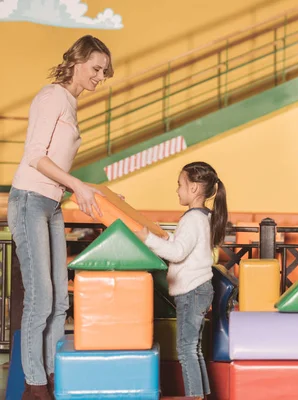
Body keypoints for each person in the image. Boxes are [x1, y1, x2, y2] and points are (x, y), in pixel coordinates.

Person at [8, 35, 113, 399]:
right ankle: (35, 385)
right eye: (96, 68)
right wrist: (77, 186)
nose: (100, 76)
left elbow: (57, 164)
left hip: (50, 203)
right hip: (29, 201)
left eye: (104, 71)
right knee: (41, 297)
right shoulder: (52, 96)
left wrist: (92, 191)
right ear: (78, 61)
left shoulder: (69, 102)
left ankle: (53, 373)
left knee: (59, 301)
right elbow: (35, 157)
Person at [135, 161, 228, 399]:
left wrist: (148, 239)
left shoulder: (192, 219)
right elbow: (186, 245)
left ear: (195, 189)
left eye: (180, 184)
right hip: (200, 288)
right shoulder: (204, 216)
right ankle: (202, 395)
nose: (177, 190)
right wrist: (164, 236)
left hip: (192, 290)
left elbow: (178, 253)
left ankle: (194, 396)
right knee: (194, 348)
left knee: (186, 349)